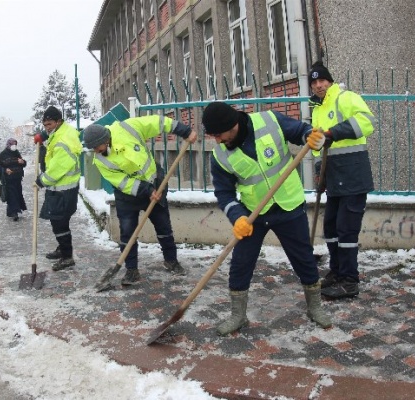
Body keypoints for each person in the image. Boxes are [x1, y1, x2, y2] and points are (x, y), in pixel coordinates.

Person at [202, 101, 331, 336]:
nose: (217, 140)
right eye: (213, 136)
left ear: (232, 125)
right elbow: (224, 192)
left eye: (219, 134)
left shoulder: (270, 121)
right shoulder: (219, 155)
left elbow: (300, 131)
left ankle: (315, 307)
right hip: (253, 215)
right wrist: (237, 216)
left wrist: (311, 138)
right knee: (240, 264)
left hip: (288, 206)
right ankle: (238, 315)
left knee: (304, 258)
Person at [82, 115, 198, 285]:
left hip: (155, 184)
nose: (96, 151)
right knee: (127, 232)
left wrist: (185, 131)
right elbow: (122, 182)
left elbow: (159, 122)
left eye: (96, 147)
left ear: (105, 139)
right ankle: (131, 270)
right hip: (128, 195)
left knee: (164, 227)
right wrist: (146, 190)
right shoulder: (100, 159)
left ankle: (171, 260)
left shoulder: (128, 127)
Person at [308, 61, 375, 299]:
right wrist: (320, 172)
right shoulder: (316, 109)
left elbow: (367, 122)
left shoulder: (345, 98)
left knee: (347, 230)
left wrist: (333, 133)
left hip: (353, 174)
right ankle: (336, 272)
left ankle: (350, 280)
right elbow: (318, 147)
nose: (318, 85)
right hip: (334, 176)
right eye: (314, 82)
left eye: (322, 80)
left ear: (330, 81)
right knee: (331, 228)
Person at [33, 106, 82, 271]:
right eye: (45, 124)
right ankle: (62, 248)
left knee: (59, 222)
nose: (47, 127)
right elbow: (51, 134)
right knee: (61, 221)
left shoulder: (63, 141)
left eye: (49, 124)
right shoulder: (62, 131)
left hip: (63, 189)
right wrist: (42, 136)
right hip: (62, 189)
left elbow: (57, 168)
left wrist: (41, 181)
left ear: (59, 121)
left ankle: (67, 257)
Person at [0, 138, 27, 221]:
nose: (14, 146)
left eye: (15, 145)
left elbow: (23, 163)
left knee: (18, 194)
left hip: (18, 178)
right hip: (8, 179)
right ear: (8, 145)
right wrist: (5, 170)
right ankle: (14, 213)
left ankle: (12, 211)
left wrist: (22, 162)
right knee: (12, 195)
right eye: (12, 145)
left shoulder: (16, 152)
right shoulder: (3, 154)